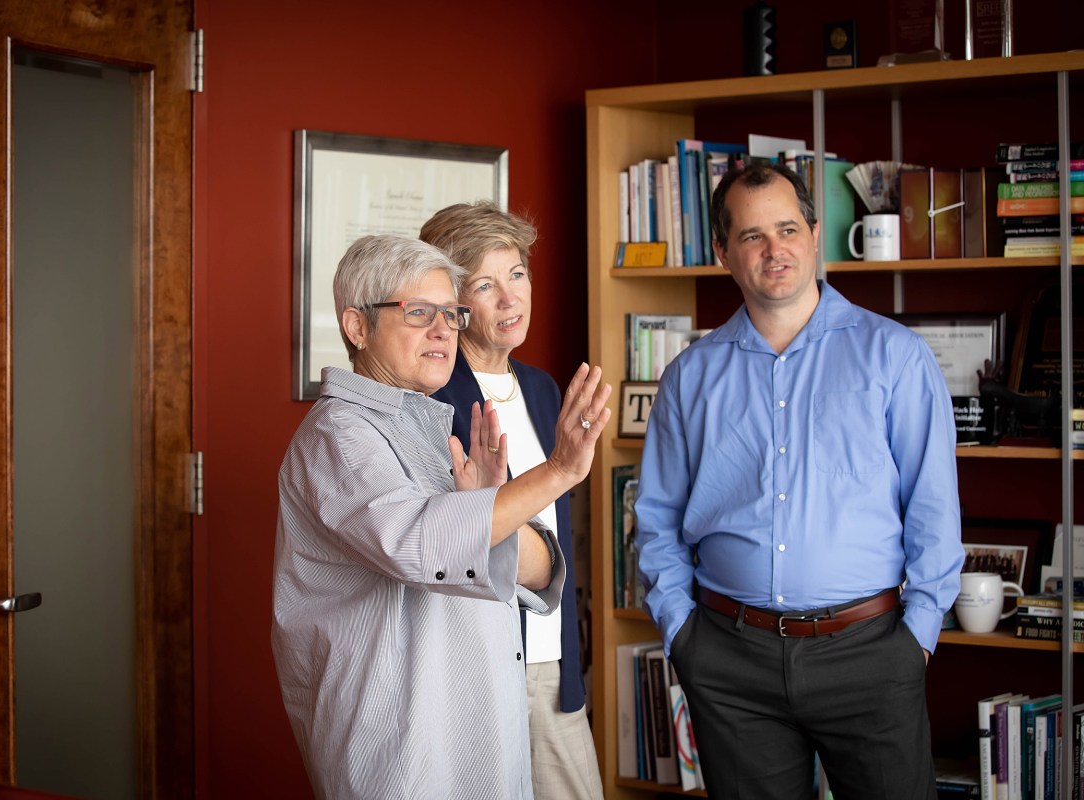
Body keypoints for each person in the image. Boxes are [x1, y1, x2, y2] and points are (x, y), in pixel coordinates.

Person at [634, 162, 964, 799]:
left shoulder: (894, 356)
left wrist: (917, 636)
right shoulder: (689, 378)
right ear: (724, 252)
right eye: (752, 236)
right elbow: (658, 521)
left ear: (815, 233)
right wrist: (682, 633)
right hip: (730, 661)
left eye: (787, 228)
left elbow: (933, 507)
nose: (774, 249)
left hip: (871, 653)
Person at [271, 233, 612, 799]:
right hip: (404, 756)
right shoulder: (338, 435)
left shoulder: (430, 430)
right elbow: (425, 546)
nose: (443, 331)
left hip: (480, 739)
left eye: (451, 314)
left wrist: (485, 518)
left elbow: (533, 569)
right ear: (357, 327)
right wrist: (554, 474)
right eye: (418, 313)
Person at [422, 201, 605, 800]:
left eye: (517, 275)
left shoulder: (545, 388)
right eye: (484, 284)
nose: (509, 299)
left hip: (553, 668)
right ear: (452, 300)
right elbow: (446, 537)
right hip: (474, 670)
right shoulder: (433, 399)